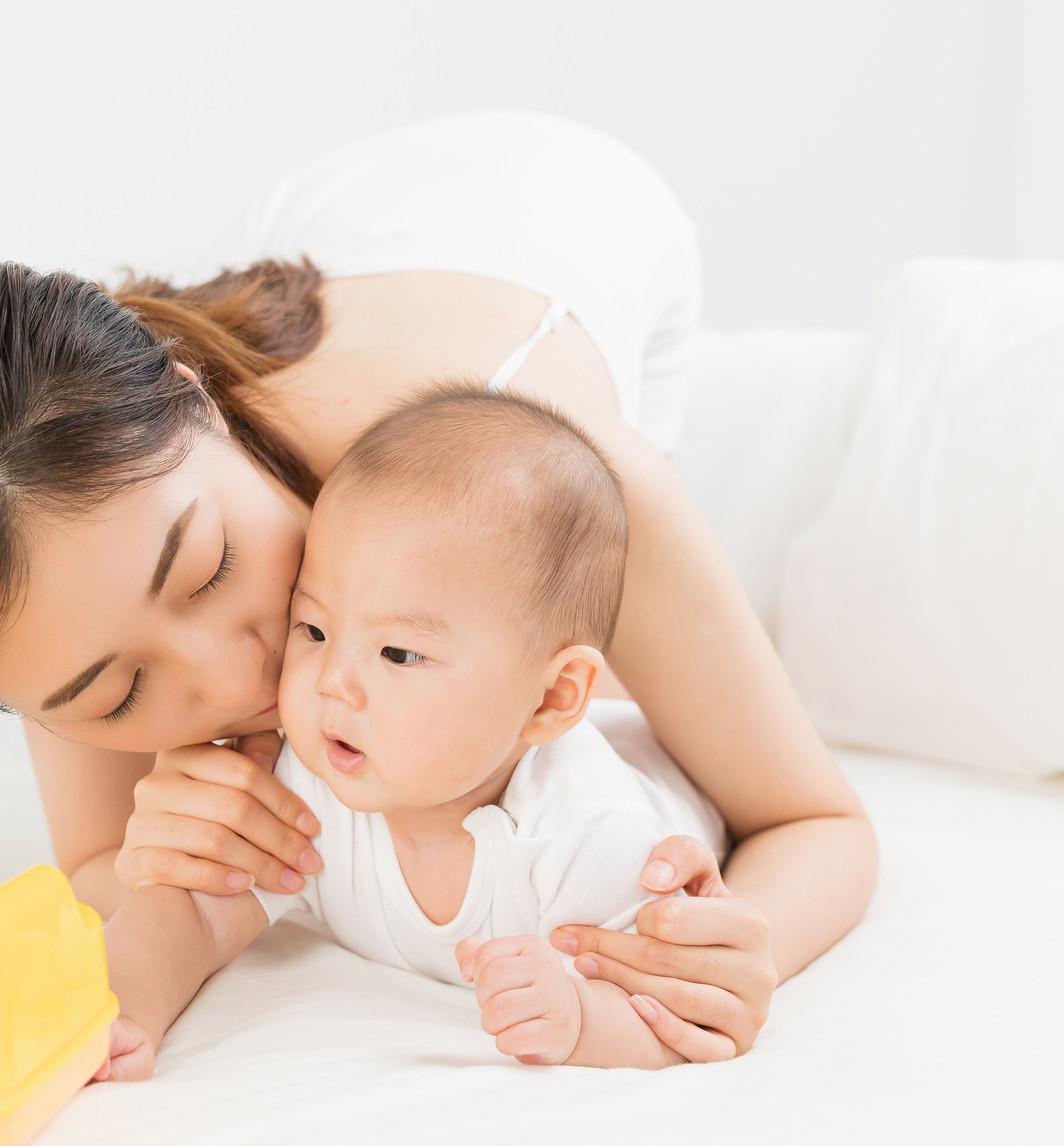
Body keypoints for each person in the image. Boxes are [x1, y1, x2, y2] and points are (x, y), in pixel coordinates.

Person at [0, 110, 878, 1064]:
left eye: (208, 569)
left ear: (193, 396)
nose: (241, 672)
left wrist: (741, 944)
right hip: (317, 248)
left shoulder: (540, 462)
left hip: (557, 201)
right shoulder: (47, 557)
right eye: (115, 697)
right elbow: (109, 875)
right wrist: (155, 853)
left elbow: (814, 818)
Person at [90, 380, 730, 1079]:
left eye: (398, 653)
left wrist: (583, 1019)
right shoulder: (304, 784)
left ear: (549, 699)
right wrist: (123, 1010)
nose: (332, 680)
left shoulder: (596, 838)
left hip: (655, 767)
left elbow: (677, 1012)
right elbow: (190, 915)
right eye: (313, 628)